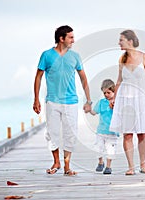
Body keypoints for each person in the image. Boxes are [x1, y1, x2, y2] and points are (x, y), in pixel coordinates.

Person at [33, 25, 92, 176]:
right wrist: (36, 99)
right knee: (51, 133)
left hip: (71, 101)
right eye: (70, 37)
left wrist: (88, 99)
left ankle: (67, 165)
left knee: (70, 133)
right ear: (61, 38)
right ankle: (56, 161)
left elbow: (83, 77)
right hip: (52, 101)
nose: (73, 40)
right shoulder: (46, 55)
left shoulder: (75, 56)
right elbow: (38, 77)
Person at [109, 30, 145, 175]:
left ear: (130, 41)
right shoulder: (121, 59)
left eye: (121, 40)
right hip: (125, 99)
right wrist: (114, 98)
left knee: (142, 134)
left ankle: (143, 165)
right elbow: (119, 80)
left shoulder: (144, 57)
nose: (119, 42)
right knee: (128, 134)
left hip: (141, 98)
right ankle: (131, 166)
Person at [89, 79, 119, 175]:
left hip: (112, 132)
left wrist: (114, 107)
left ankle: (108, 167)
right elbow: (94, 112)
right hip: (101, 131)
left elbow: (121, 114)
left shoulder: (117, 102)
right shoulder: (101, 102)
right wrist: (88, 109)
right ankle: (101, 162)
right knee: (98, 148)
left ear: (114, 92)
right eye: (104, 93)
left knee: (110, 150)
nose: (106, 95)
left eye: (108, 92)